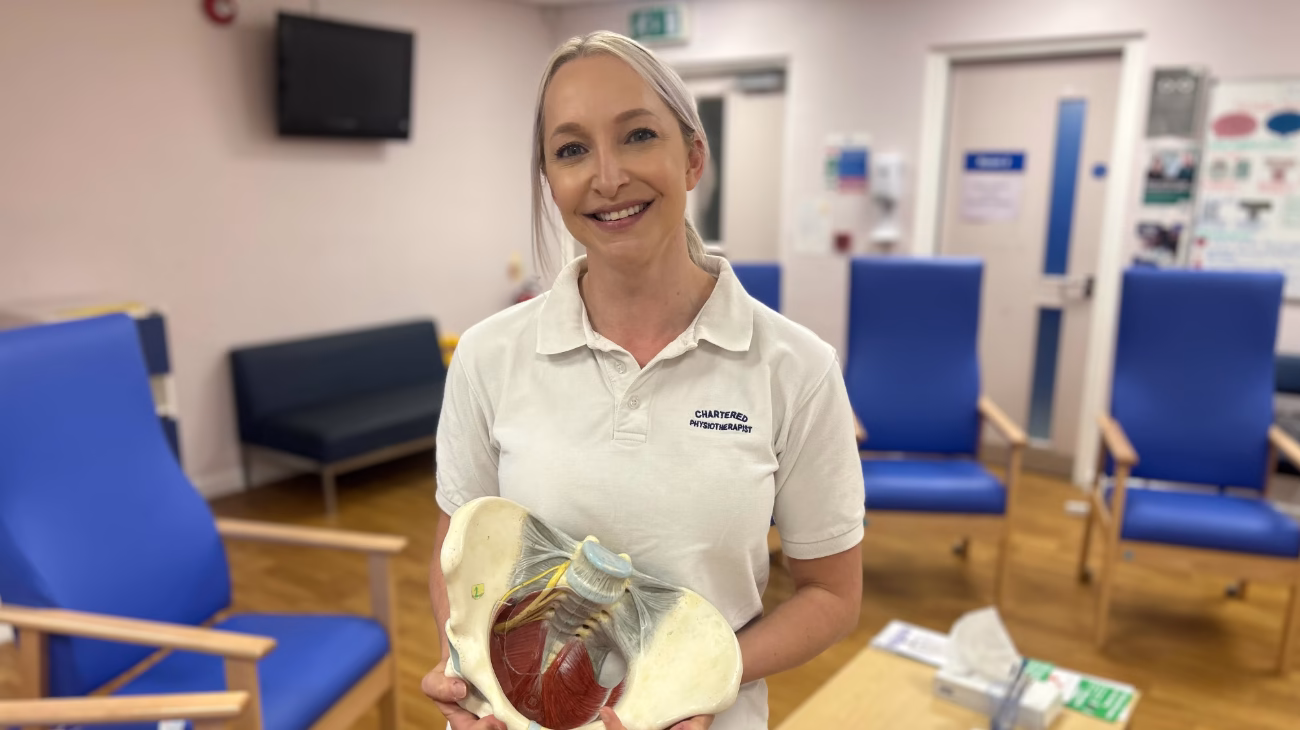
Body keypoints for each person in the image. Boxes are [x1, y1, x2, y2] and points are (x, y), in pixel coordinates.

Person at [422, 30, 865, 730]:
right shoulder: (487, 355)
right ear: (549, 180)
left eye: (636, 136)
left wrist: (691, 682)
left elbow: (831, 595)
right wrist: (472, 677)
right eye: (571, 150)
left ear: (692, 157)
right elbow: (458, 564)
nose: (606, 177)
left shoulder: (797, 370)